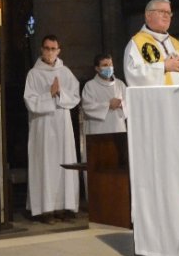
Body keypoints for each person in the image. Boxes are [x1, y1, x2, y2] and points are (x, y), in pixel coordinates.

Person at [23, 34, 80, 223]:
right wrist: (50, 94)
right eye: (47, 48)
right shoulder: (33, 74)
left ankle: (64, 206)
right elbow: (30, 102)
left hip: (62, 125)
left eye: (53, 49)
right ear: (41, 49)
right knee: (45, 164)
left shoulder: (65, 72)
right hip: (43, 126)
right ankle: (45, 209)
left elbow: (75, 97)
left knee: (64, 162)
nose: (50, 52)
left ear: (59, 50)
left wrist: (60, 94)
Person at [124, 0, 179, 87]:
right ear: (148, 15)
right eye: (162, 11)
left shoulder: (176, 44)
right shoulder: (136, 43)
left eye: (169, 13)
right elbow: (133, 75)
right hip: (158, 99)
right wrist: (164, 67)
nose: (166, 16)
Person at [81, 53, 127, 135]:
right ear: (97, 68)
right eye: (105, 65)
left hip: (118, 129)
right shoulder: (90, 86)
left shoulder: (120, 84)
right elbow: (87, 107)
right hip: (98, 130)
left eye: (110, 64)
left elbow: (130, 104)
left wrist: (121, 104)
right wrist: (108, 105)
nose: (109, 67)